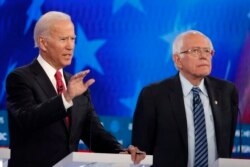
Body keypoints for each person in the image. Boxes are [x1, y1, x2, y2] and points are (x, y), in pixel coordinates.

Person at [6, 11, 145, 167]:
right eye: (63, 39)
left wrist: (121, 153)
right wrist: (65, 98)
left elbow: (94, 132)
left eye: (73, 39)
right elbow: (27, 119)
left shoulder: (76, 84)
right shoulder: (20, 78)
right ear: (43, 43)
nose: (70, 46)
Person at [132, 30, 239, 167]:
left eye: (208, 51)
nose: (203, 56)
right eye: (195, 51)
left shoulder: (227, 91)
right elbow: (141, 152)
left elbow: (227, 145)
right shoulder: (153, 95)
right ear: (178, 60)